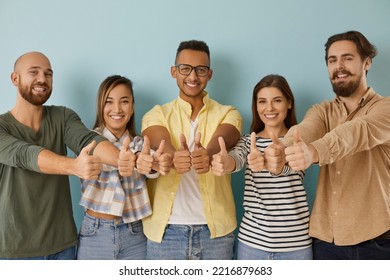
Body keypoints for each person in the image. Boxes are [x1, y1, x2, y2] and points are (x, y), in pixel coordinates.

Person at [266, 31, 390, 259]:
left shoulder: (385, 108)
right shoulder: (321, 111)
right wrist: (281, 151)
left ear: (367, 62)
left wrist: (313, 151)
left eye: (347, 58)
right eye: (332, 60)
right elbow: (305, 130)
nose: (339, 66)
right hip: (326, 241)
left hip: (377, 242)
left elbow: (356, 132)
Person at [0, 52, 134, 259]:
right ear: (15, 78)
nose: (42, 79)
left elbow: (88, 140)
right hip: (16, 252)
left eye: (48, 74)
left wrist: (120, 159)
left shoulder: (63, 116)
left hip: (63, 248)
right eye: (33, 72)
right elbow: (24, 154)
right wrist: (74, 166)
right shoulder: (1, 126)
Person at [141, 40, 242, 260]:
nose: (193, 77)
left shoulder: (229, 112)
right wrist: (171, 155)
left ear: (210, 74)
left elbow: (228, 135)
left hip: (216, 234)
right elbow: (159, 141)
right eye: (185, 69)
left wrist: (208, 153)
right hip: (166, 233)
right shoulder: (155, 113)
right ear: (174, 72)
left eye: (201, 70)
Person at [211, 74, 312, 260]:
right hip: (252, 245)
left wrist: (276, 163)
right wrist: (226, 163)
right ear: (256, 106)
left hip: (296, 245)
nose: (269, 108)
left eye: (277, 101)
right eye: (262, 101)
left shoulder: (299, 141)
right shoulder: (249, 142)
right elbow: (236, 159)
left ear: (289, 103)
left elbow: (294, 166)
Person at [76, 75, 162, 260]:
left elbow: (152, 166)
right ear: (101, 107)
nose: (117, 109)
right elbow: (98, 158)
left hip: (134, 234)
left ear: (132, 108)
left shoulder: (139, 144)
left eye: (124, 102)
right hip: (95, 233)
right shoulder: (88, 140)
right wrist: (125, 159)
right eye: (109, 102)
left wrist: (150, 164)